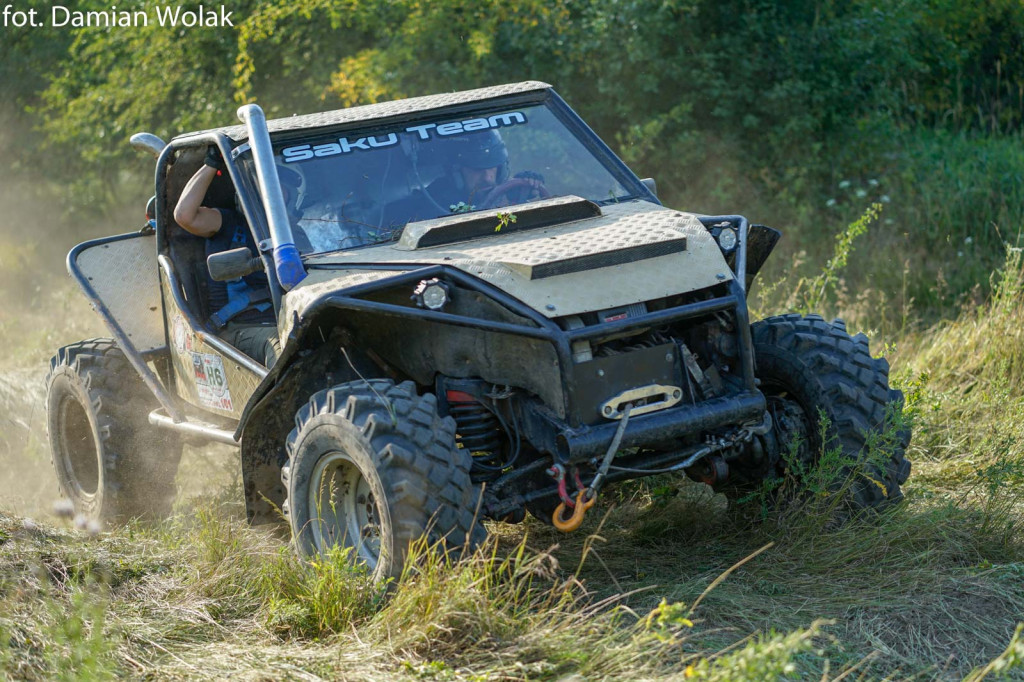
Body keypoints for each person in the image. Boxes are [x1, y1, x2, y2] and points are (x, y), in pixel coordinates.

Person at [173, 146, 279, 366]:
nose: (275, 194)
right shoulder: (230, 223)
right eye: (266, 186)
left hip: (290, 319)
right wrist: (212, 164)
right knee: (281, 347)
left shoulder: (298, 232)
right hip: (242, 328)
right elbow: (185, 216)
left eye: (280, 187)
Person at [386, 130, 549, 225]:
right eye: (477, 169)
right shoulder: (432, 203)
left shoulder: (506, 192)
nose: (488, 178)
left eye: (492, 167)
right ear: (456, 171)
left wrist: (521, 199)